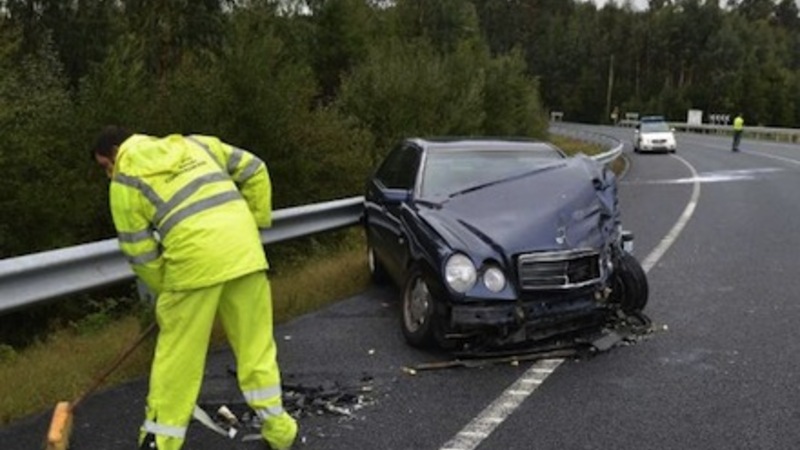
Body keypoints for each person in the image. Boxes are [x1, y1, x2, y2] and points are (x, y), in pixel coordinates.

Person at [91, 126, 297, 450]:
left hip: (192, 265)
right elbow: (255, 169)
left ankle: (160, 441)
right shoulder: (198, 145)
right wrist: (253, 225)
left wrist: (166, 288)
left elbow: (139, 251)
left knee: (177, 360)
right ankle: (280, 432)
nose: (108, 174)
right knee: (257, 349)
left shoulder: (125, 179)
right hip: (245, 254)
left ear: (117, 151)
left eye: (106, 165)